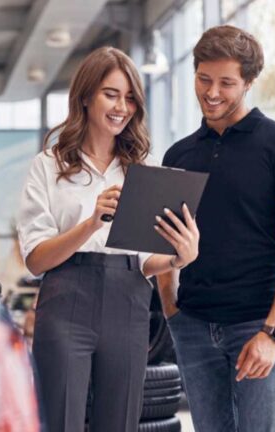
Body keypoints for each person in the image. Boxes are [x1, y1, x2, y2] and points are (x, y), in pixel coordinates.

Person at [16, 46, 200, 432]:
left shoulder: (143, 171)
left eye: (130, 97)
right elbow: (35, 259)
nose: (122, 107)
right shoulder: (48, 166)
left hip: (129, 300)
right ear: (85, 97)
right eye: (111, 94)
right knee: (61, 419)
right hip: (66, 300)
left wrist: (177, 258)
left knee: (119, 423)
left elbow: (145, 258)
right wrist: (91, 223)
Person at [157, 25, 275, 432]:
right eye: (204, 79)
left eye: (226, 83)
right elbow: (165, 240)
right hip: (193, 325)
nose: (212, 93)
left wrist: (272, 332)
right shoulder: (179, 154)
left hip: (257, 325)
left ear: (248, 82)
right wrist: (172, 308)